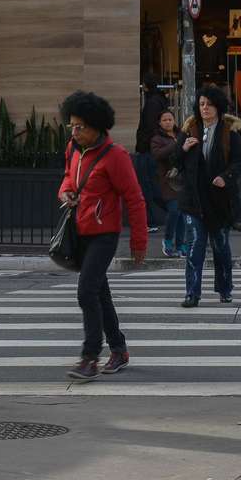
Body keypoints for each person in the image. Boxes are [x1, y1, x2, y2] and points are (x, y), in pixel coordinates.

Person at [58, 91, 148, 380]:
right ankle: (119, 350)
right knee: (100, 294)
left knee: (86, 292)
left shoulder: (116, 156)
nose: (74, 131)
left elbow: (135, 199)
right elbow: (68, 179)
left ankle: (89, 357)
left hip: (104, 234)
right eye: (71, 125)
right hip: (80, 231)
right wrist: (66, 191)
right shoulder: (72, 149)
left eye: (80, 126)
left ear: (97, 126)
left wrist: (138, 243)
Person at [175, 85, 241, 308]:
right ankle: (191, 293)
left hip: (219, 201)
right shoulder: (189, 130)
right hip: (193, 200)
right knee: (195, 246)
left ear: (218, 107)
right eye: (202, 103)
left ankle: (225, 289)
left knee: (221, 247)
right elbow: (175, 163)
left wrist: (226, 177)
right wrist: (183, 149)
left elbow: (239, 161)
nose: (204, 108)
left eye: (209, 104)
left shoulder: (228, 133)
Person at [135, 73, 169, 232]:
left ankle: (152, 220)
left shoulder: (152, 103)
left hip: (147, 150)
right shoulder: (159, 101)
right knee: (153, 185)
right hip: (154, 149)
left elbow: (149, 127)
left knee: (147, 185)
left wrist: (145, 144)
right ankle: (169, 212)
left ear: (146, 86)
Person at [150, 110, 187, 257]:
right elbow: (158, 154)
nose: (168, 122)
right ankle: (168, 240)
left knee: (182, 212)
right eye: (164, 120)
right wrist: (176, 145)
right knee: (174, 210)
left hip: (181, 178)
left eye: (170, 119)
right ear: (160, 123)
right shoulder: (156, 139)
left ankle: (181, 244)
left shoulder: (181, 135)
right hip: (166, 179)